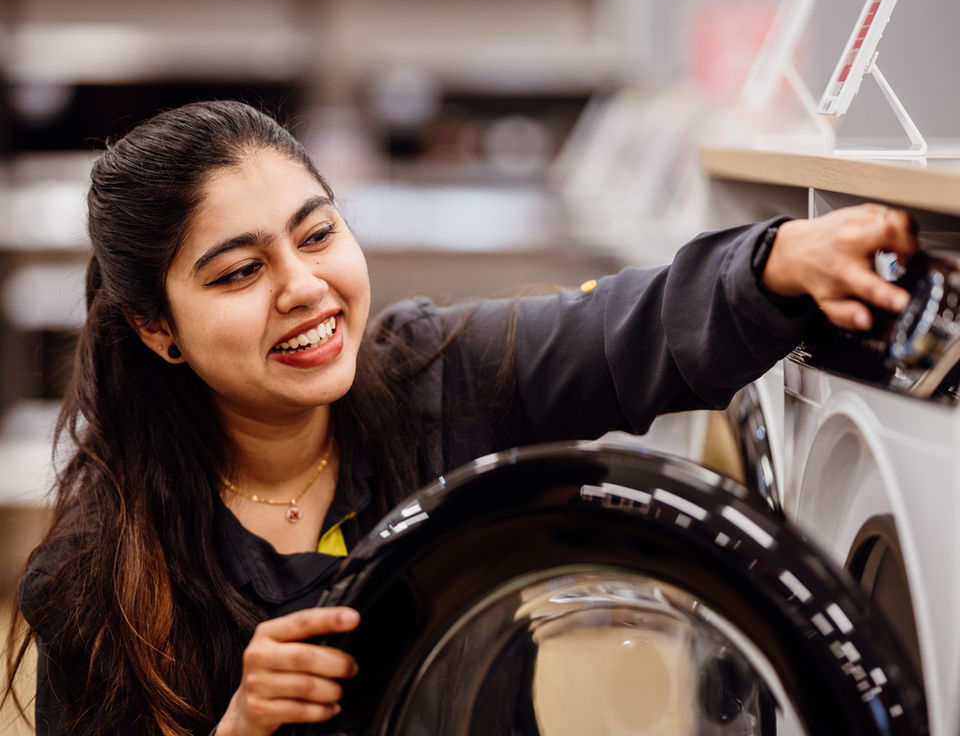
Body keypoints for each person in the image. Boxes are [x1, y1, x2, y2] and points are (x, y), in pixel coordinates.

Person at [2, 100, 916, 736]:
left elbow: (611, 333)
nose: (303, 288)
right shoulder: (97, 577)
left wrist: (777, 259)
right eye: (240, 273)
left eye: (317, 234)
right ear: (158, 329)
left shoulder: (432, 379)